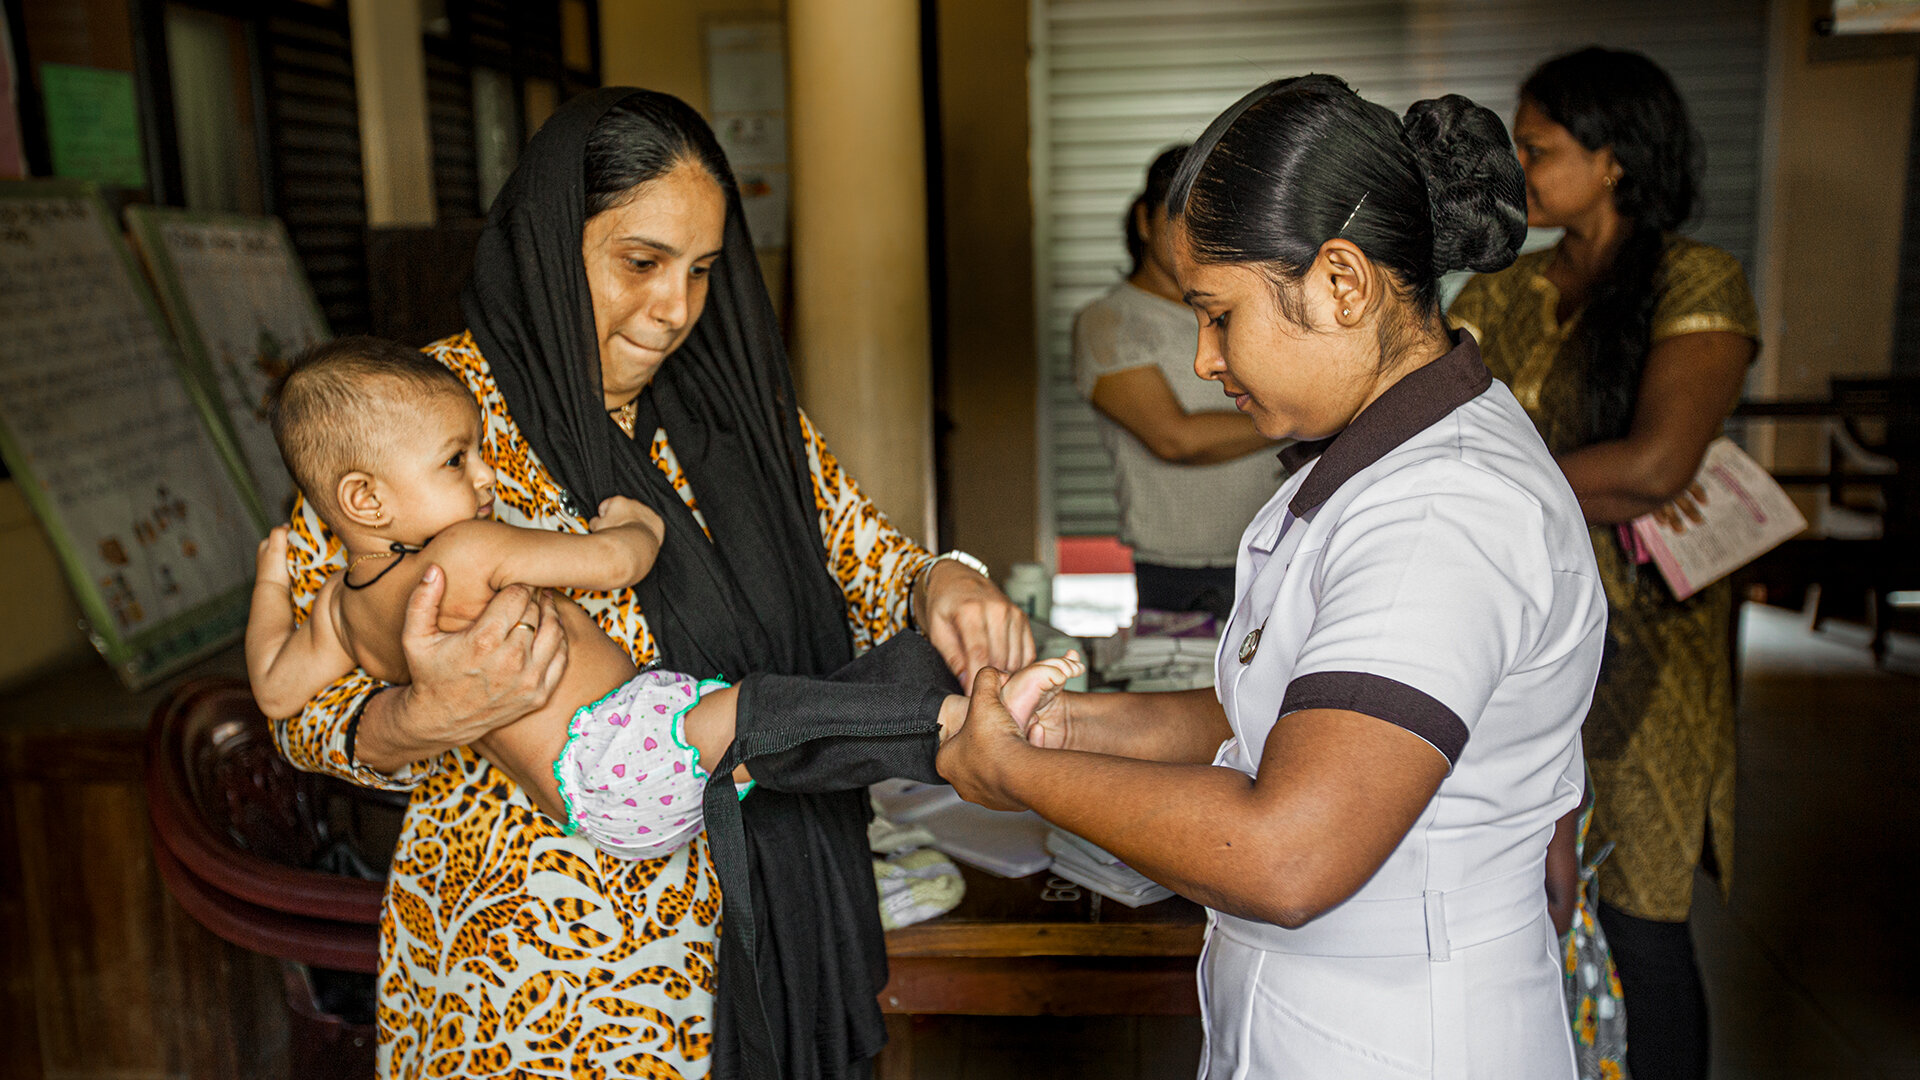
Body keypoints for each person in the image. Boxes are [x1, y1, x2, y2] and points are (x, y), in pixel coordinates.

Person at [269, 90, 1034, 1079]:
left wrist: (946, 586)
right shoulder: (421, 422)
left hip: (757, 935)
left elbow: (871, 559)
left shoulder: (728, 417)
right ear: (553, 243)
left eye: (703, 271)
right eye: (641, 263)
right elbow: (306, 710)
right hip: (541, 977)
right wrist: (429, 715)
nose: (675, 308)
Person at [940, 74, 1604, 1078]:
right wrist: (1074, 728)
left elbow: (1288, 852)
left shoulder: (1440, 515)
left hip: (1406, 1039)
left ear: (1341, 283)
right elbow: (1281, 719)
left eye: (1219, 315)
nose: (1205, 361)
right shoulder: (1377, 463)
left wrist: (1020, 775)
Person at [1447, 46, 1760, 1080]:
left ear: (1613, 157)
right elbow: (1438, 438)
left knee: (1642, 913)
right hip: (1520, 622)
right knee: (1525, 886)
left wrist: (1480, 494)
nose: (1520, 171)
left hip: (1649, 650)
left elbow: (1657, 467)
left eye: (1539, 149)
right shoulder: (1504, 291)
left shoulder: (1696, 279)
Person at [1073, 144, 1283, 619]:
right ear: (1145, 222)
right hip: (1182, 573)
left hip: (1276, 546)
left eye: (1212, 223)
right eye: (1180, 220)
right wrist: (1298, 416)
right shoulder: (1108, 321)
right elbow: (1174, 438)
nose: (1199, 239)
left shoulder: (1240, 309)